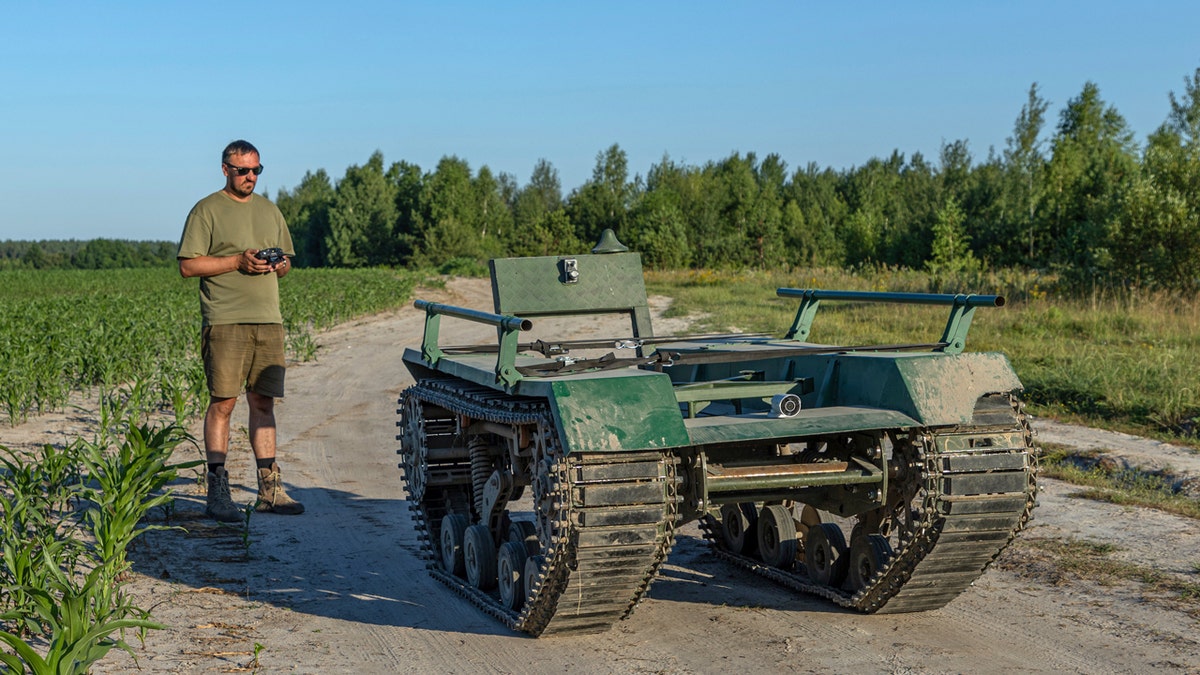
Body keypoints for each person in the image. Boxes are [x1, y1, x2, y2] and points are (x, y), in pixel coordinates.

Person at [178, 139, 305, 522]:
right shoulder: (206, 210)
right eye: (242, 170)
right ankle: (217, 492)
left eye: (256, 170)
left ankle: (269, 489)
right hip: (224, 319)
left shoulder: (270, 210)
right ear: (225, 170)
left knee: (263, 402)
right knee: (224, 403)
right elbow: (188, 266)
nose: (250, 177)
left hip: (268, 319)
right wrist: (237, 261)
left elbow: (286, 264)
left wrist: (278, 264)